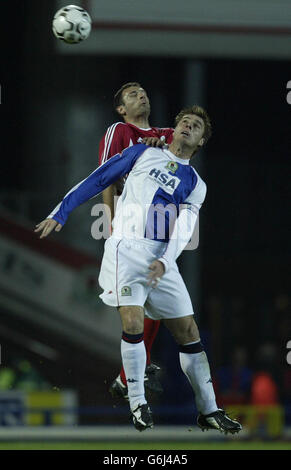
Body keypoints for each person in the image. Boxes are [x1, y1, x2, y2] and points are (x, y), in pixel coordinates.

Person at [35, 105, 242, 434]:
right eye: (184, 122)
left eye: (196, 126)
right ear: (173, 131)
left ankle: (209, 410)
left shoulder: (196, 184)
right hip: (126, 248)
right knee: (132, 321)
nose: (188, 126)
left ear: (201, 141)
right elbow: (99, 178)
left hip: (161, 258)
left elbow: (184, 228)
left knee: (189, 332)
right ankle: (137, 402)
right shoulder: (142, 153)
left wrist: (166, 260)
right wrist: (61, 212)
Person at [99, 82, 174, 399]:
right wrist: (109, 222)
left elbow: (181, 168)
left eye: (144, 91)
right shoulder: (119, 130)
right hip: (129, 229)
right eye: (132, 94)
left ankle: (125, 376)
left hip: (160, 228)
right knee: (138, 305)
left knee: (155, 306)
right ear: (121, 109)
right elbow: (105, 177)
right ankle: (129, 374)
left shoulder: (169, 135)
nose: (142, 95)